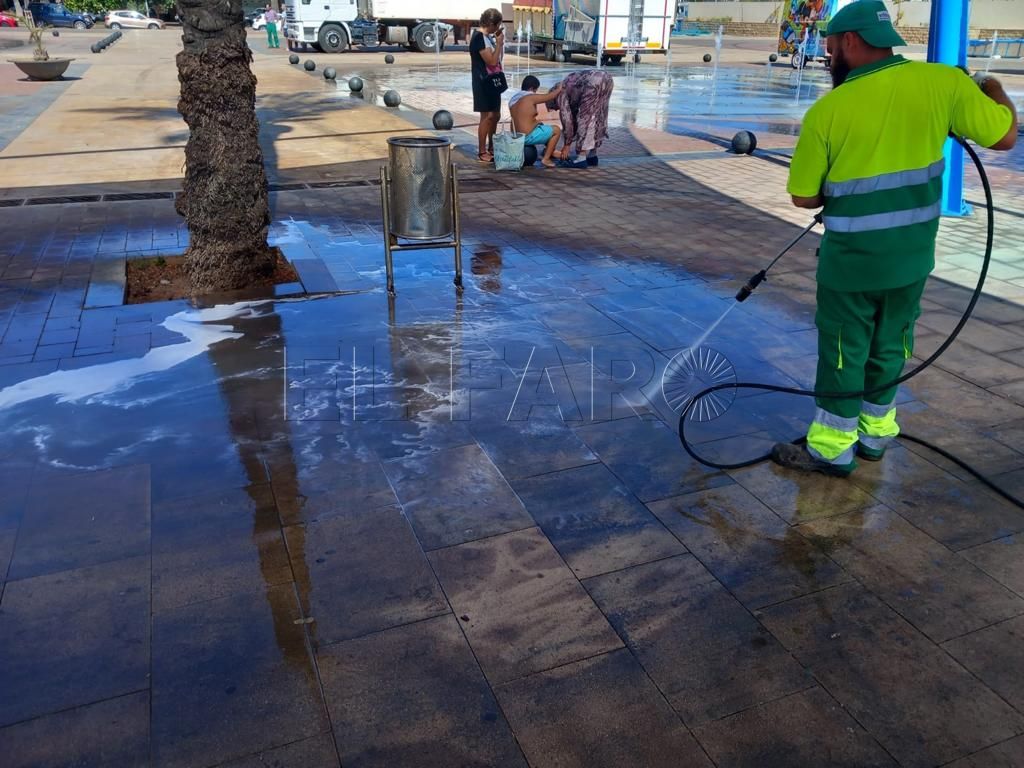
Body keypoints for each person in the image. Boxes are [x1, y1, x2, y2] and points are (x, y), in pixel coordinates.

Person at [771, 0, 1017, 477]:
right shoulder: (943, 83)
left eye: (830, 45)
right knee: (891, 346)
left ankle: (831, 450)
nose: (827, 55)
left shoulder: (829, 110)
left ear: (850, 42)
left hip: (850, 266)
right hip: (912, 260)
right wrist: (989, 86)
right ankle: (876, 438)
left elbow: (803, 197)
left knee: (844, 353)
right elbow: (1005, 137)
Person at [550, 69, 614, 167]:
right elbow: (572, 117)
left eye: (552, 108)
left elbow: (566, 118)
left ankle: (581, 157)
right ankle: (592, 155)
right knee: (599, 115)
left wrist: (567, 145)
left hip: (593, 83)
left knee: (585, 118)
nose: (555, 109)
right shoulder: (565, 85)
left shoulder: (558, 92)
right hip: (607, 78)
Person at [470, 9, 505, 163]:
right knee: (486, 116)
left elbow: (497, 59)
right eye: (497, 25)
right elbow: (491, 61)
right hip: (483, 82)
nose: (498, 28)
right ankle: (482, 151)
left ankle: (492, 146)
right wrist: (499, 44)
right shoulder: (479, 38)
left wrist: (498, 43)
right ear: (491, 24)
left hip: (492, 82)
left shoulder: (486, 37)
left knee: (495, 115)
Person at [510, 76, 563, 167]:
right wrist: (560, 88)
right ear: (531, 89)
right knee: (556, 130)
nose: (535, 93)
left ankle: (551, 151)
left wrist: (536, 123)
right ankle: (546, 159)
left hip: (515, 135)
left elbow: (522, 119)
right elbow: (550, 96)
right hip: (527, 137)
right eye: (535, 90)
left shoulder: (513, 99)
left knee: (542, 126)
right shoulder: (530, 97)